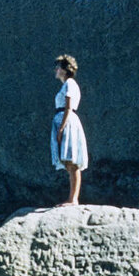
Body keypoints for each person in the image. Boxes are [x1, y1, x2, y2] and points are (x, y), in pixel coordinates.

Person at [52, 54, 89, 206]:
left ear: (65, 70)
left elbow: (68, 106)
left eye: (59, 67)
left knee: (72, 161)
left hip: (67, 120)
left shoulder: (70, 84)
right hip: (63, 119)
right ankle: (72, 198)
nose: (56, 70)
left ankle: (73, 199)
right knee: (68, 162)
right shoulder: (66, 85)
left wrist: (62, 128)